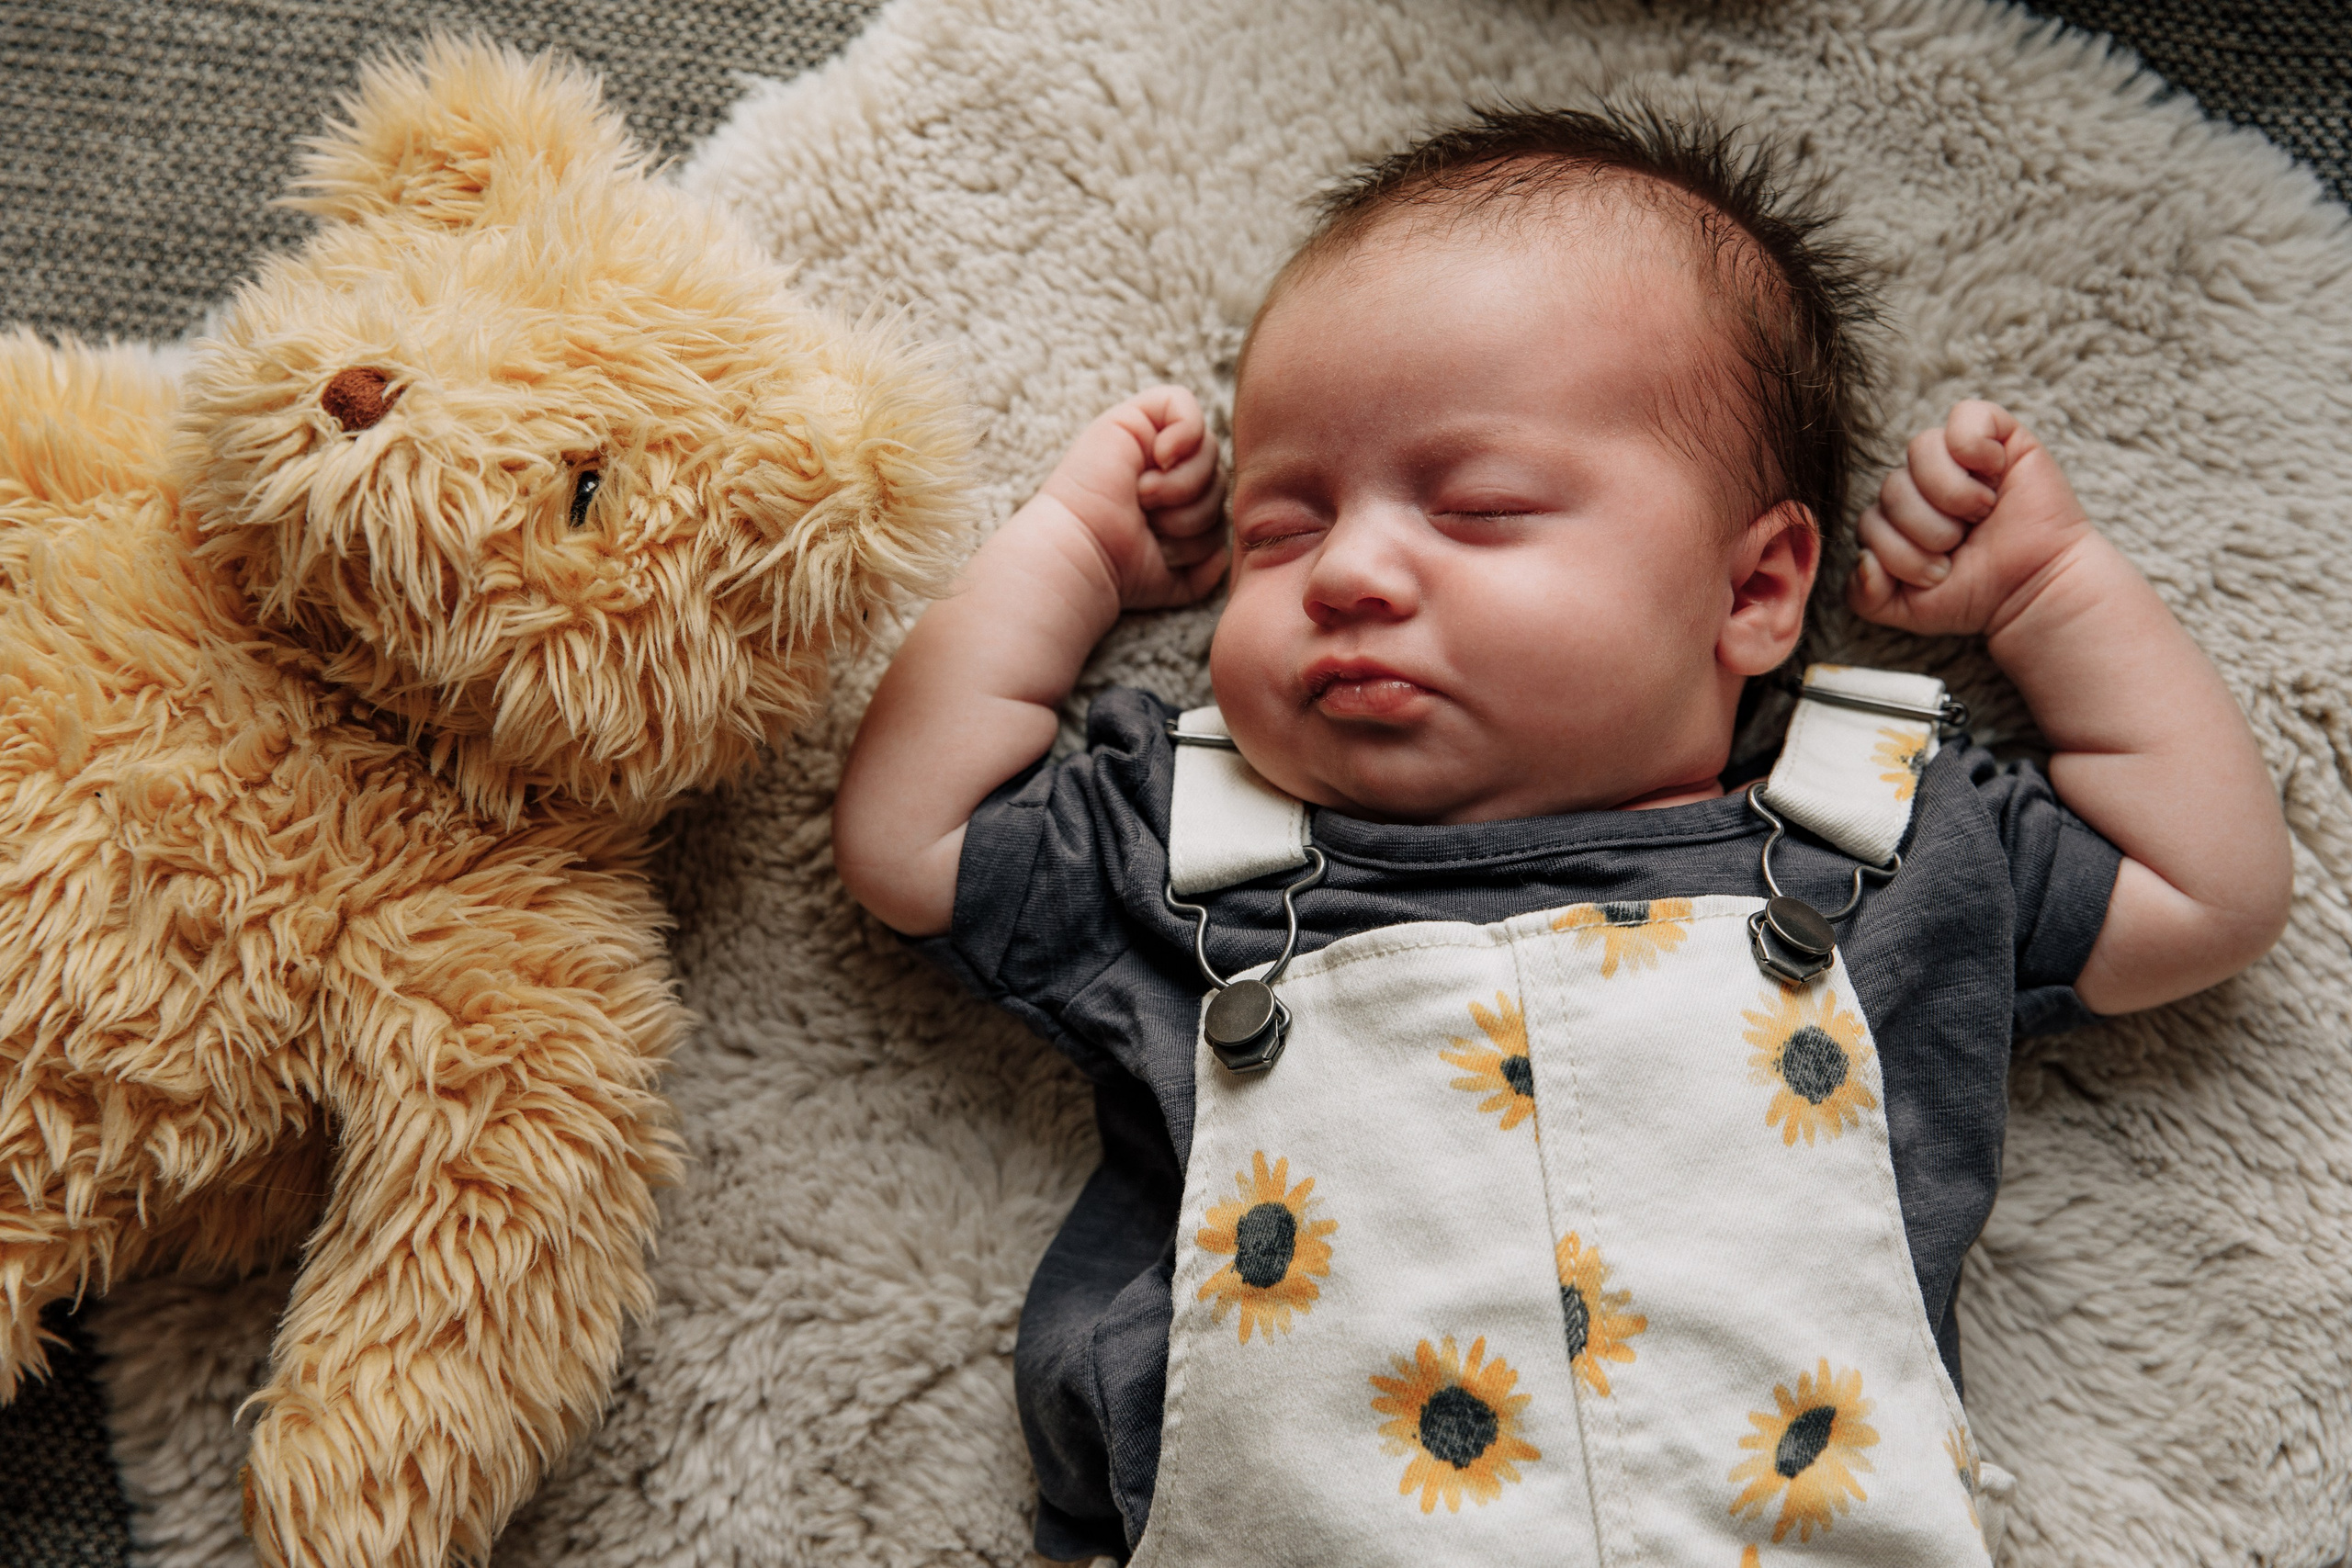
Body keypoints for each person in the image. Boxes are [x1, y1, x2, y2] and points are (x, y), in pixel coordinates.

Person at [832, 107, 2291, 1565]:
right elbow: (914, 841)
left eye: (1477, 507)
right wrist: (1073, 554)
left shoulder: (1885, 843)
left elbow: (2209, 890)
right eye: (1277, 528)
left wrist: (2050, 593)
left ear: (1756, 591)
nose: (1345, 570)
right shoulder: (1186, 849)